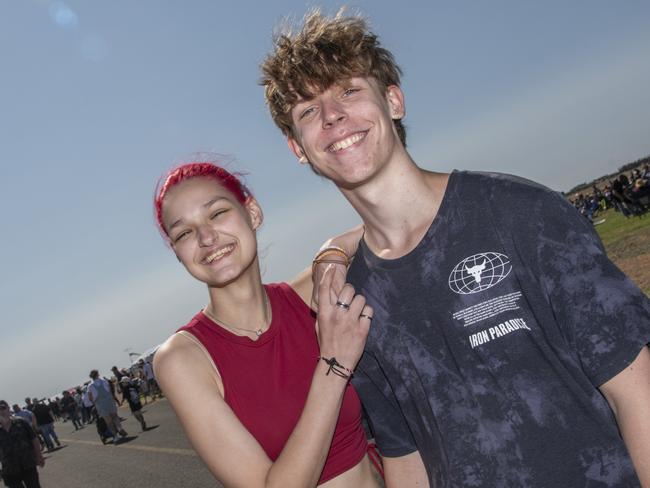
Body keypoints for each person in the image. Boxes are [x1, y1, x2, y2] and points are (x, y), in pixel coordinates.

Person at [260, 10, 650, 487]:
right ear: (298, 148)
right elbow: (406, 455)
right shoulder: (351, 299)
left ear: (394, 101)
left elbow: (636, 391)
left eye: (349, 90)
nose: (332, 116)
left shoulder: (516, 212)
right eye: (307, 111)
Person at [152, 162, 379, 487]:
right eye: (184, 233)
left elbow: (392, 222)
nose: (206, 237)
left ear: (253, 213)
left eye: (217, 213)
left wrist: (332, 249)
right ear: (178, 253)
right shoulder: (183, 359)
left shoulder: (309, 296)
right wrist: (334, 366)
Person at [0, 400, 44, 488]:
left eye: (2, 408)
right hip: (9, 469)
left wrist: (39, 456)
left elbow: (34, 439)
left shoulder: (21, 422)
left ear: (8, 409)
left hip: (28, 464)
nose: (1, 411)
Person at [87, 370, 128, 444]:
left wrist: (94, 402)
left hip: (100, 404)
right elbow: (109, 389)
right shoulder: (103, 380)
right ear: (98, 374)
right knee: (115, 416)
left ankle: (115, 436)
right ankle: (120, 428)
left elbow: (90, 397)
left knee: (108, 421)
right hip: (109, 400)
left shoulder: (90, 386)